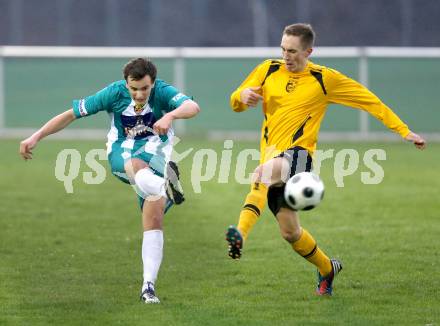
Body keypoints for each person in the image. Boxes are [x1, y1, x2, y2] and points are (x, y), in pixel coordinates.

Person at [225, 23, 426, 296]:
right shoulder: (268, 69)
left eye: (293, 51)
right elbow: (235, 103)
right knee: (291, 234)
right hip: (272, 154)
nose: (286, 55)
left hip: (299, 156)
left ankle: (240, 235)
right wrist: (241, 95)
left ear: (309, 50)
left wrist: (403, 131)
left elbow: (369, 101)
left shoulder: (324, 79)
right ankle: (328, 268)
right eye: (283, 49)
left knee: (261, 174)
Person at [19, 58, 200, 304]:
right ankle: (166, 188)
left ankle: (148, 287)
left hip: (158, 157)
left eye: (144, 89)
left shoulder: (162, 91)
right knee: (135, 165)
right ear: (126, 83)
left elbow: (192, 107)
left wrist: (171, 116)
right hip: (122, 155)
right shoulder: (113, 93)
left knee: (154, 217)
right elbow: (71, 115)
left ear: (153, 83)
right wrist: (36, 136)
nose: (138, 94)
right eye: (133, 88)